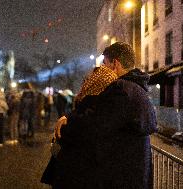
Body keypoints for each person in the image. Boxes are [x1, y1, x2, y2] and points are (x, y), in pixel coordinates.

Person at [49, 42, 157, 189]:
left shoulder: (121, 90)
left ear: (115, 64)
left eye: (105, 63)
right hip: (133, 175)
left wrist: (68, 123)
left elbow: (95, 125)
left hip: (121, 177)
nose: (103, 69)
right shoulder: (137, 89)